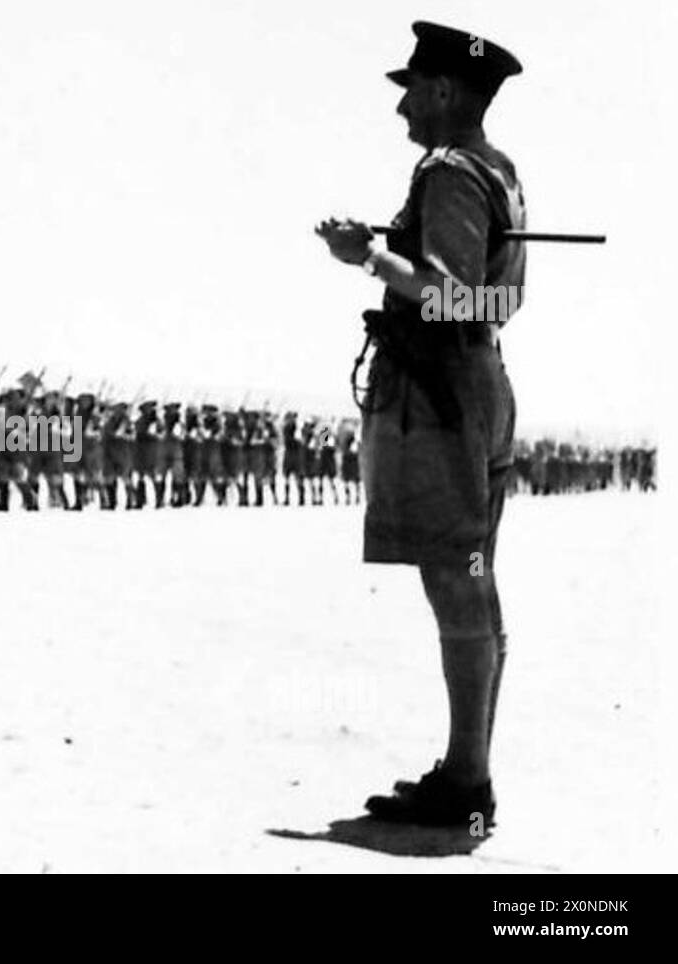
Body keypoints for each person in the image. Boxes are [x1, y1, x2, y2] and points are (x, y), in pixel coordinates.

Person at [315, 21, 524, 826]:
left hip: (442, 393)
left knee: (455, 579)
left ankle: (467, 781)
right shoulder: (498, 171)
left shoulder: (447, 168)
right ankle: (466, 770)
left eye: (412, 88)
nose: (402, 105)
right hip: (478, 381)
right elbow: (501, 300)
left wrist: (366, 256)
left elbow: (448, 292)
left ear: (443, 91)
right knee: (472, 579)